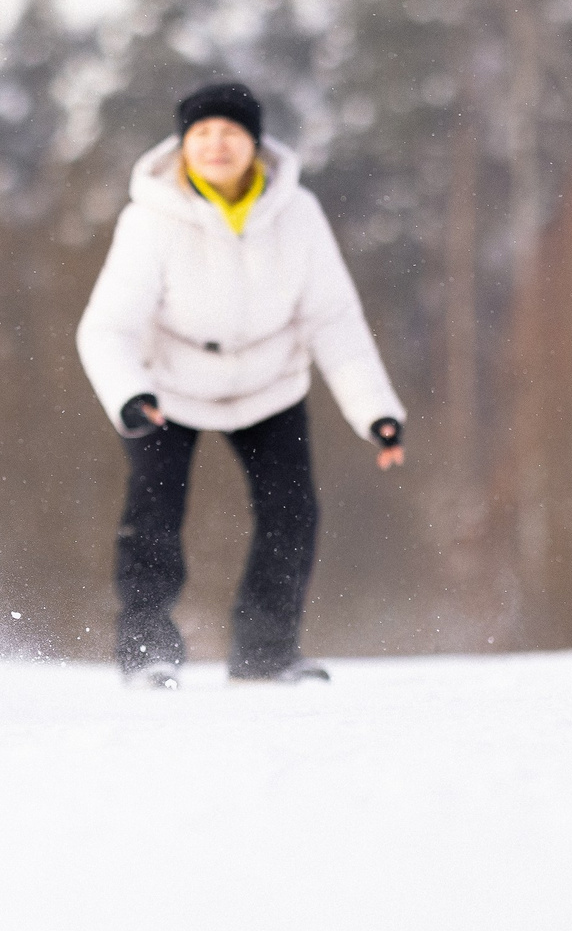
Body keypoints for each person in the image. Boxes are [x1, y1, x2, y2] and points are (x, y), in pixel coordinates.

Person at [74, 81, 405, 688]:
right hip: (166, 389)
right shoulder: (149, 219)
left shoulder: (297, 213)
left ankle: (266, 653)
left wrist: (376, 413)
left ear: (255, 144)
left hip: (269, 386)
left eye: (230, 132)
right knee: (154, 513)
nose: (216, 145)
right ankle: (146, 651)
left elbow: (334, 321)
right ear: (182, 147)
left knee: (292, 513)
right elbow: (106, 328)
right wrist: (130, 395)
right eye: (201, 134)